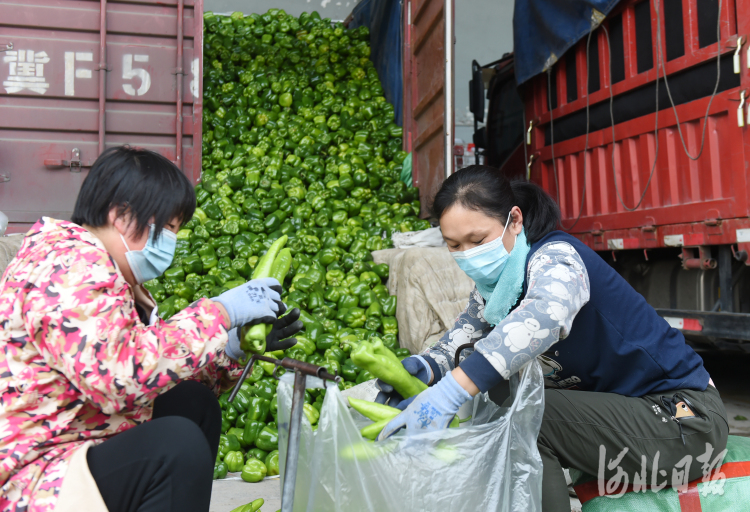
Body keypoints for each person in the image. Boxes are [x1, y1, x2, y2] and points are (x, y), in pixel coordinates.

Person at [376, 165, 729, 512]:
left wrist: (451, 392)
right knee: (496, 395)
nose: (467, 254)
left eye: (477, 240)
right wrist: (422, 369)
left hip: (685, 419)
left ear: (514, 220)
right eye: (454, 245)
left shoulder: (557, 259)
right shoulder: (498, 288)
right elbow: (461, 340)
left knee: (526, 413)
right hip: (635, 417)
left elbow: (544, 316)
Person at [0, 147, 301, 512]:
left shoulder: (107, 271)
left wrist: (232, 348)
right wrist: (219, 312)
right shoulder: (68, 266)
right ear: (122, 216)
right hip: (31, 475)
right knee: (177, 445)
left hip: (79, 437)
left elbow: (150, 371)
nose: (172, 240)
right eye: (169, 228)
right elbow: (117, 378)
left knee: (192, 403)